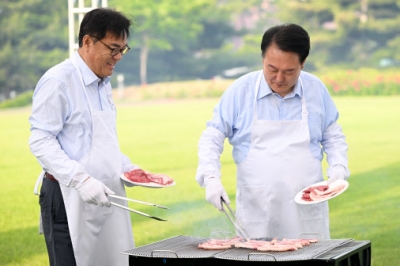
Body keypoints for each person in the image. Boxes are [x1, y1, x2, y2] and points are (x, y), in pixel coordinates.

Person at [195, 23, 349, 240]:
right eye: (272, 68)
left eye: (289, 71)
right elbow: (212, 136)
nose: (279, 79)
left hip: (307, 211)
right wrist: (210, 177)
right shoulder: (241, 90)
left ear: (303, 64)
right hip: (257, 210)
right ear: (262, 59)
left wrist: (339, 169)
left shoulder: (316, 89)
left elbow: (332, 135)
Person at [29, 8, 136, 266]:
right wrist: (81, 180)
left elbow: (99, 141)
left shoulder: (103, 81)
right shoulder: (59, 81)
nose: (119, 56)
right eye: (113, 48)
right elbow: (40, 140)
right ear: (88, 41)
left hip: (106, 192)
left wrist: (128, 168)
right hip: (66, 194)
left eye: (123, 49)